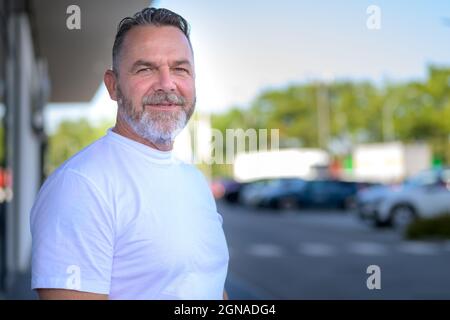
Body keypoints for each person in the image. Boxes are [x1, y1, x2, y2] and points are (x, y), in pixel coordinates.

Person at [30, 7, 229, 300]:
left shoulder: (194, 180)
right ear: (113, 86)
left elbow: (209, 286)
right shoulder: (81, 186)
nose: (166, 84)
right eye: (145, 69)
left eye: (180, 69)